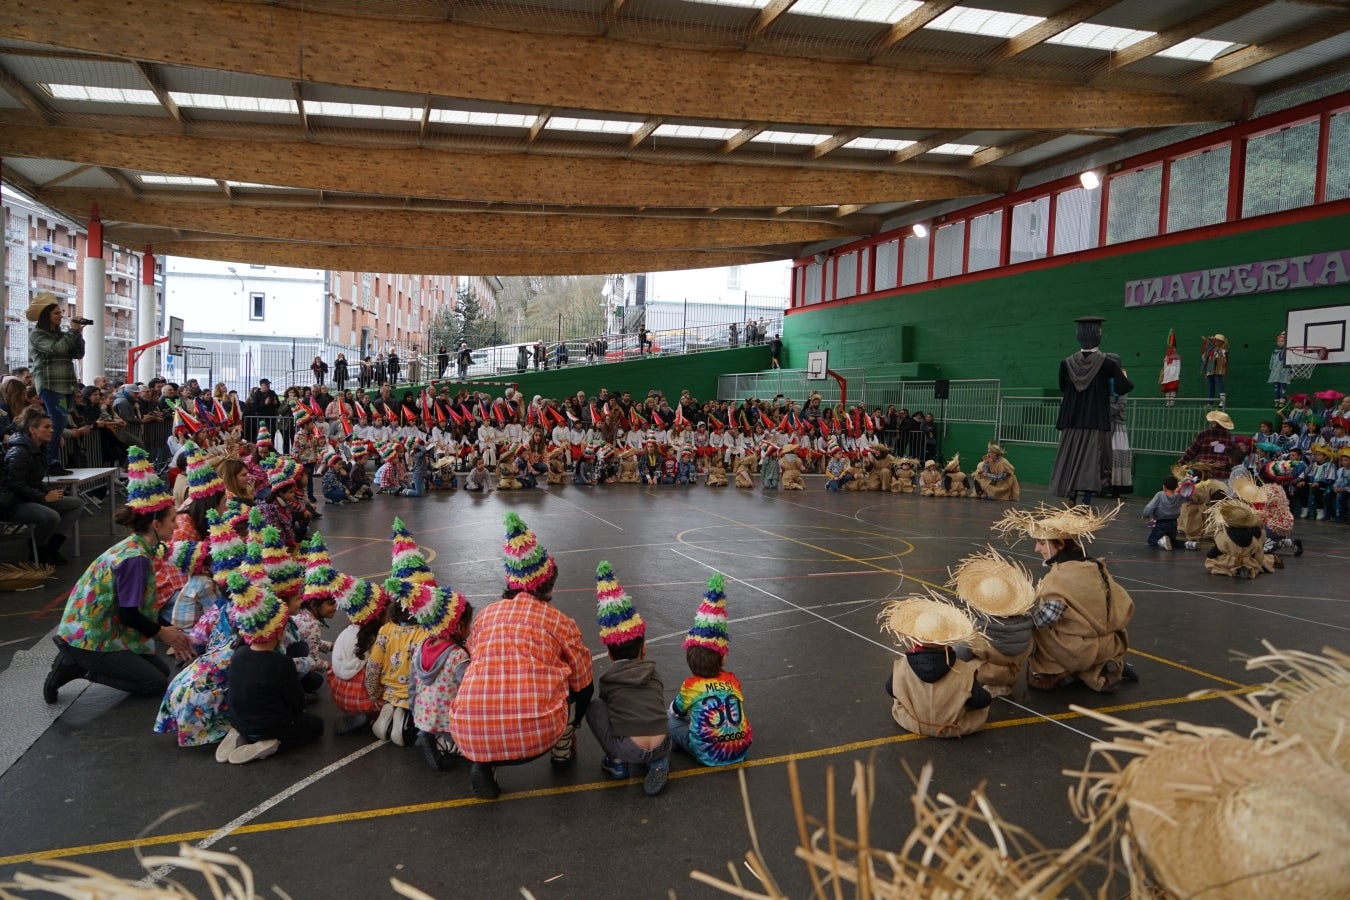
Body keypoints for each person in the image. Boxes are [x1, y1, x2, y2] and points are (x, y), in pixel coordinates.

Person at [447, 514, 594, 799]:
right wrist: (575, 721)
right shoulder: (560, 621)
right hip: (539, 734)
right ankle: (562, 752)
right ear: (549, 585)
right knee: (572, 680)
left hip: (470, 735)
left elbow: (472, 657)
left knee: (476, 673)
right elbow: (584, 681)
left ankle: (483, 764)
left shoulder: (486, 615)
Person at [43, 446, 196, 704]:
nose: (176, 525)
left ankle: (86, 661)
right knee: (155, 683)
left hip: (109, 629)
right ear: (155, 524)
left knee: (160, 672)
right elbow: (128, 613)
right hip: (91, 637)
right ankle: (78, 666)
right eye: (172, 520)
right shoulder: (135, 559)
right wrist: (163, 632)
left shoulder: (139, 546)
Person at [994, 503, 1137, 693]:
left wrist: (1017, 619)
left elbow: (1047, 618)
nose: (1037, 549)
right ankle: (1101, 667)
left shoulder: (1060, 577)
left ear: (1060, 544)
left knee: (1034, 629)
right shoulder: (1095, 566)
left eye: (1042, 543)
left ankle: (1054, 671)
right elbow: (1124, 603)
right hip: (1111, 643)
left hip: (1079, 650)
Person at [217, 571, 324, 764]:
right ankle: (270, 744)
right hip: (268, 726)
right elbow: (297, 703)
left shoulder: (239, 653)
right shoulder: (281, 663)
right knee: (316, 725)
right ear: (279, 633)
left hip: (238, 719)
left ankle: (240, 733)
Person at [587, 562, 671, 795]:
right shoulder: (654, 672)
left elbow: (612, 713)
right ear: (644, 649)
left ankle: (617, 763)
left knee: (595, 707)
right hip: (663, 742)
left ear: (610, 654)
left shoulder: (608, 679)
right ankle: (658, 761)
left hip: (630, 749)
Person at [668, 574, 751, 767]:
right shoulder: (732, 680)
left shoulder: (691, 686)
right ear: (722, 658)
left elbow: (676, 711)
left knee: (670, 720)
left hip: (708, 754)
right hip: (740, 748)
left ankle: (682, 744)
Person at [878, 596, 990, 738]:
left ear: (915, 638)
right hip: (952, 728)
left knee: (899, 694)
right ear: (949, 639)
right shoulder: (964, 671)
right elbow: (982, 701)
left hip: (912, 722)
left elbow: (890, 690)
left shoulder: (902, 667)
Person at [1049, 315, 1133, 505]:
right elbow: (1124, 386)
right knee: (1092, 461)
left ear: (1078, 335)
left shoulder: (1066, 363)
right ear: (1098, 334)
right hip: (1095, 420)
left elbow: (1063, 387)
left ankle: (1071, 497)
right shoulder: (1107, 363)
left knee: (1070, 458)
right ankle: (1085, 502)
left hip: (1071, 419)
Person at [948, 549, 1036, 698]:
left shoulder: (978, 631)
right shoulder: (1026, 627)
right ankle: (1003, 685)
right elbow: (1032, 651)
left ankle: (985, 686)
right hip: (1013, 673)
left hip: (987, 674)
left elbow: (960, 655)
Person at [3, 408, 85, 565]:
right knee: (51, 516)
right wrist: (44, 497)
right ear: (32, 430)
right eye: (46, 427)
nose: (52, 430)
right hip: (13, 502)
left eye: (51, 427)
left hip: (29, 496)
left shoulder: (38, 448)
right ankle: (37, 549)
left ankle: (51, 547)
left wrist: (48, 491)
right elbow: (15, 485)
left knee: (76, 504)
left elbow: (33, 481)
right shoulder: (19, 452)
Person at [408, 583, 473, 771]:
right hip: (447, 721)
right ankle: (444, 744)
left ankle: (426, 735)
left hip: (422, 715)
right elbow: (468, 688)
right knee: (468, 748)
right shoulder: (458, 656)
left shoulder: (420, 649)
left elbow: (412, 685)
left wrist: (414, 710)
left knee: (430, 723)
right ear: (459, 626)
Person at [25, 291, 86, 475]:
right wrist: (72, 331)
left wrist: (78, 334)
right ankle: (50, 462)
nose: (61, 316)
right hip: (50, 385)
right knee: (57, 421)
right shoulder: (37, 335)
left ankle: (53, 461)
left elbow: (78, 353)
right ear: (46, 315)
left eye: (61, 313)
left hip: (65, 386)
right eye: (56, 313)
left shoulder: (61, 335)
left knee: (60, 423)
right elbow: (57, 349)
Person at [1141, 475, 1184, 551]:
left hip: (1161, 523)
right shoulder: (1178, 496)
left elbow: (1150, 507)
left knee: (1151, 540)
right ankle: (1188, 544)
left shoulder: (1160, 495)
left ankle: (1161, 542)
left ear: (1164, 486)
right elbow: (1188, 498)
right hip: (1173, 523)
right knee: (1172, 541)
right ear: (1176, 486)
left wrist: (1145, 515)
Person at [1201, 333, 1229, 407]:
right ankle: (1210, 403)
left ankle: (1222, 402)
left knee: (1220, 384)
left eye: (1218, 341)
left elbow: (1225, 360)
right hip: (1210, 370)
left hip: (1218, 370)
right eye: (1216, 341)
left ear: (1221, 342)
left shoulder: (1223, 350)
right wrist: (1205, 372)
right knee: (1211, 387)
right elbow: (1206, 359)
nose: (1216, 342)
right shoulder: (1210, 349)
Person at [1159, 330, 1181, 406]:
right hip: (1167, 375)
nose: (1170, 350)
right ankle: (1167, 402)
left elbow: (1178, 366)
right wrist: (1164, 374)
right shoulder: (1166, 357)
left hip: (1174, 375)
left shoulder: (1177, 357)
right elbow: (1165, 366)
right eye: (1169, 348)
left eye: (1172, 348)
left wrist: (1177, 374)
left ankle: (1172, 402)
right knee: (1167, 389)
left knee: (1173, 388)